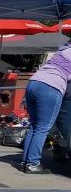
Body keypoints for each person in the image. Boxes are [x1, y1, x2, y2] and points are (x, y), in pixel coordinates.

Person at [20, 44, 71, 173]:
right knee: (43, 128)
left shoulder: (63, 50)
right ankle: (33, 163)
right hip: (51, 87)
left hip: (33, 83)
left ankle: (25, 162)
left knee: (34, 126)